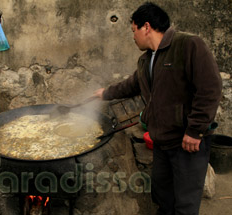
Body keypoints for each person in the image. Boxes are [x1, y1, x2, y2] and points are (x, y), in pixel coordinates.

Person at [93, 2, 222, 215]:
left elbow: (210, 88)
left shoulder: (188, 45)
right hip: (161, 141)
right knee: (163, 196)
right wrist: (104, 93)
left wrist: (195, 130)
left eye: (133, 31)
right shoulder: (146, 60)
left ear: (146, 27)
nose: (133, 37)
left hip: (186, 142)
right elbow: (131, 85)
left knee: (185, 202)